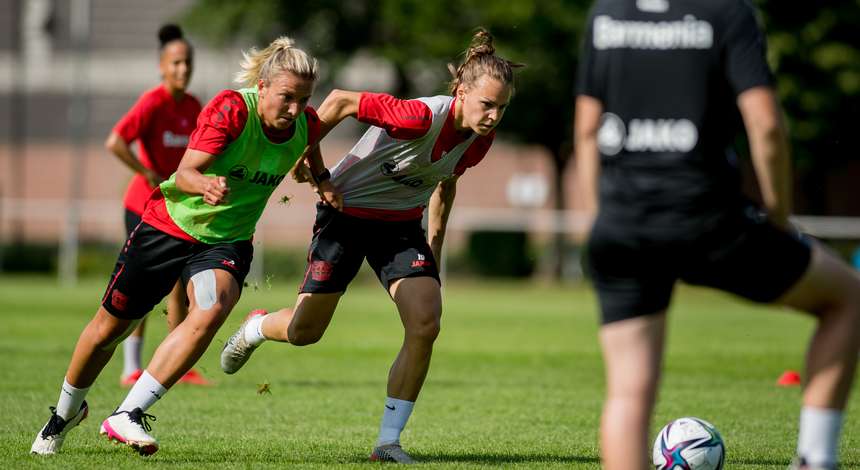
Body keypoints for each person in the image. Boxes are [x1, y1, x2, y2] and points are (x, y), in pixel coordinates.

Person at [573, 1, 860, 469]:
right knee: (846, 298)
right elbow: (766, 125)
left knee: (628, 395)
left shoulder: (608, 13)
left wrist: (598, 221)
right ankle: (815, 459)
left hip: (623, 225)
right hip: (706, 218)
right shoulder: (727, 12)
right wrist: (780, 216)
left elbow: (586, 131)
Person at [219, 29, 521, 464]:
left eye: (502, 108)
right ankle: (257, 327)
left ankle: (388, 442)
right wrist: (308, 156)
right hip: (345, 215)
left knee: (426, 324)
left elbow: (445, 183)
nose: (493, 116)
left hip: (399, 228)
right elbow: (341, 99)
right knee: (306, 333)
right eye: (486, 104)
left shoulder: (480, 141)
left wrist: (434, 242)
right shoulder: (416, 116)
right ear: (461, 92)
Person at [31, 36, 332, 456]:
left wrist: (322, 179)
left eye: (304, 99)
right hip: (168, 227)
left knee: (212, 309)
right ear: (263, 87)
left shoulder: (306, 123)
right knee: (108, 329)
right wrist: (206, 183)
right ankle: (64, 414)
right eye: (287, 98)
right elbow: (185, 172)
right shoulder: (231, 108)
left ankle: (128, 413)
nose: (295, 109)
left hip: (225, 241)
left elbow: (311, 144)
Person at [105, 23, 208, 387]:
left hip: (177, 208)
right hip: (143, 205)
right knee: (141, 284)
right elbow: (116, 141)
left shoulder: (194, 105)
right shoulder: (153, 102)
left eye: (188, 63)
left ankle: (178, 365)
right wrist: (145, 171)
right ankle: (130, 367)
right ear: (162, 66)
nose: (183, 69)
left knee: (180, 283)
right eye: (176, 63)